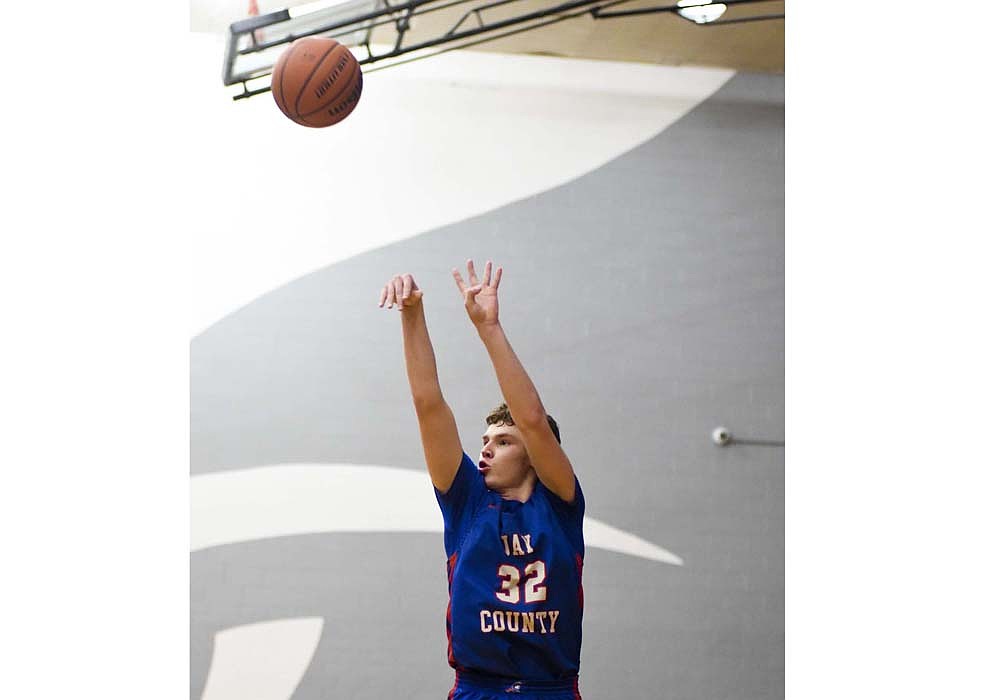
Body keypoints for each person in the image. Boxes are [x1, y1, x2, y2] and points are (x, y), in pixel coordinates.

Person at [379, 260, 586, 700]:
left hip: (548, 690)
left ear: (534, 455)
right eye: (485, 439)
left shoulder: (559, 504)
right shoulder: (467, 503)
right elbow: (428, 403)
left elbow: (531, 417)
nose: (486, 449)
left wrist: (488, 328)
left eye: (505, 441)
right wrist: (412, 314)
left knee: (527, 419)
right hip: (477, 688)